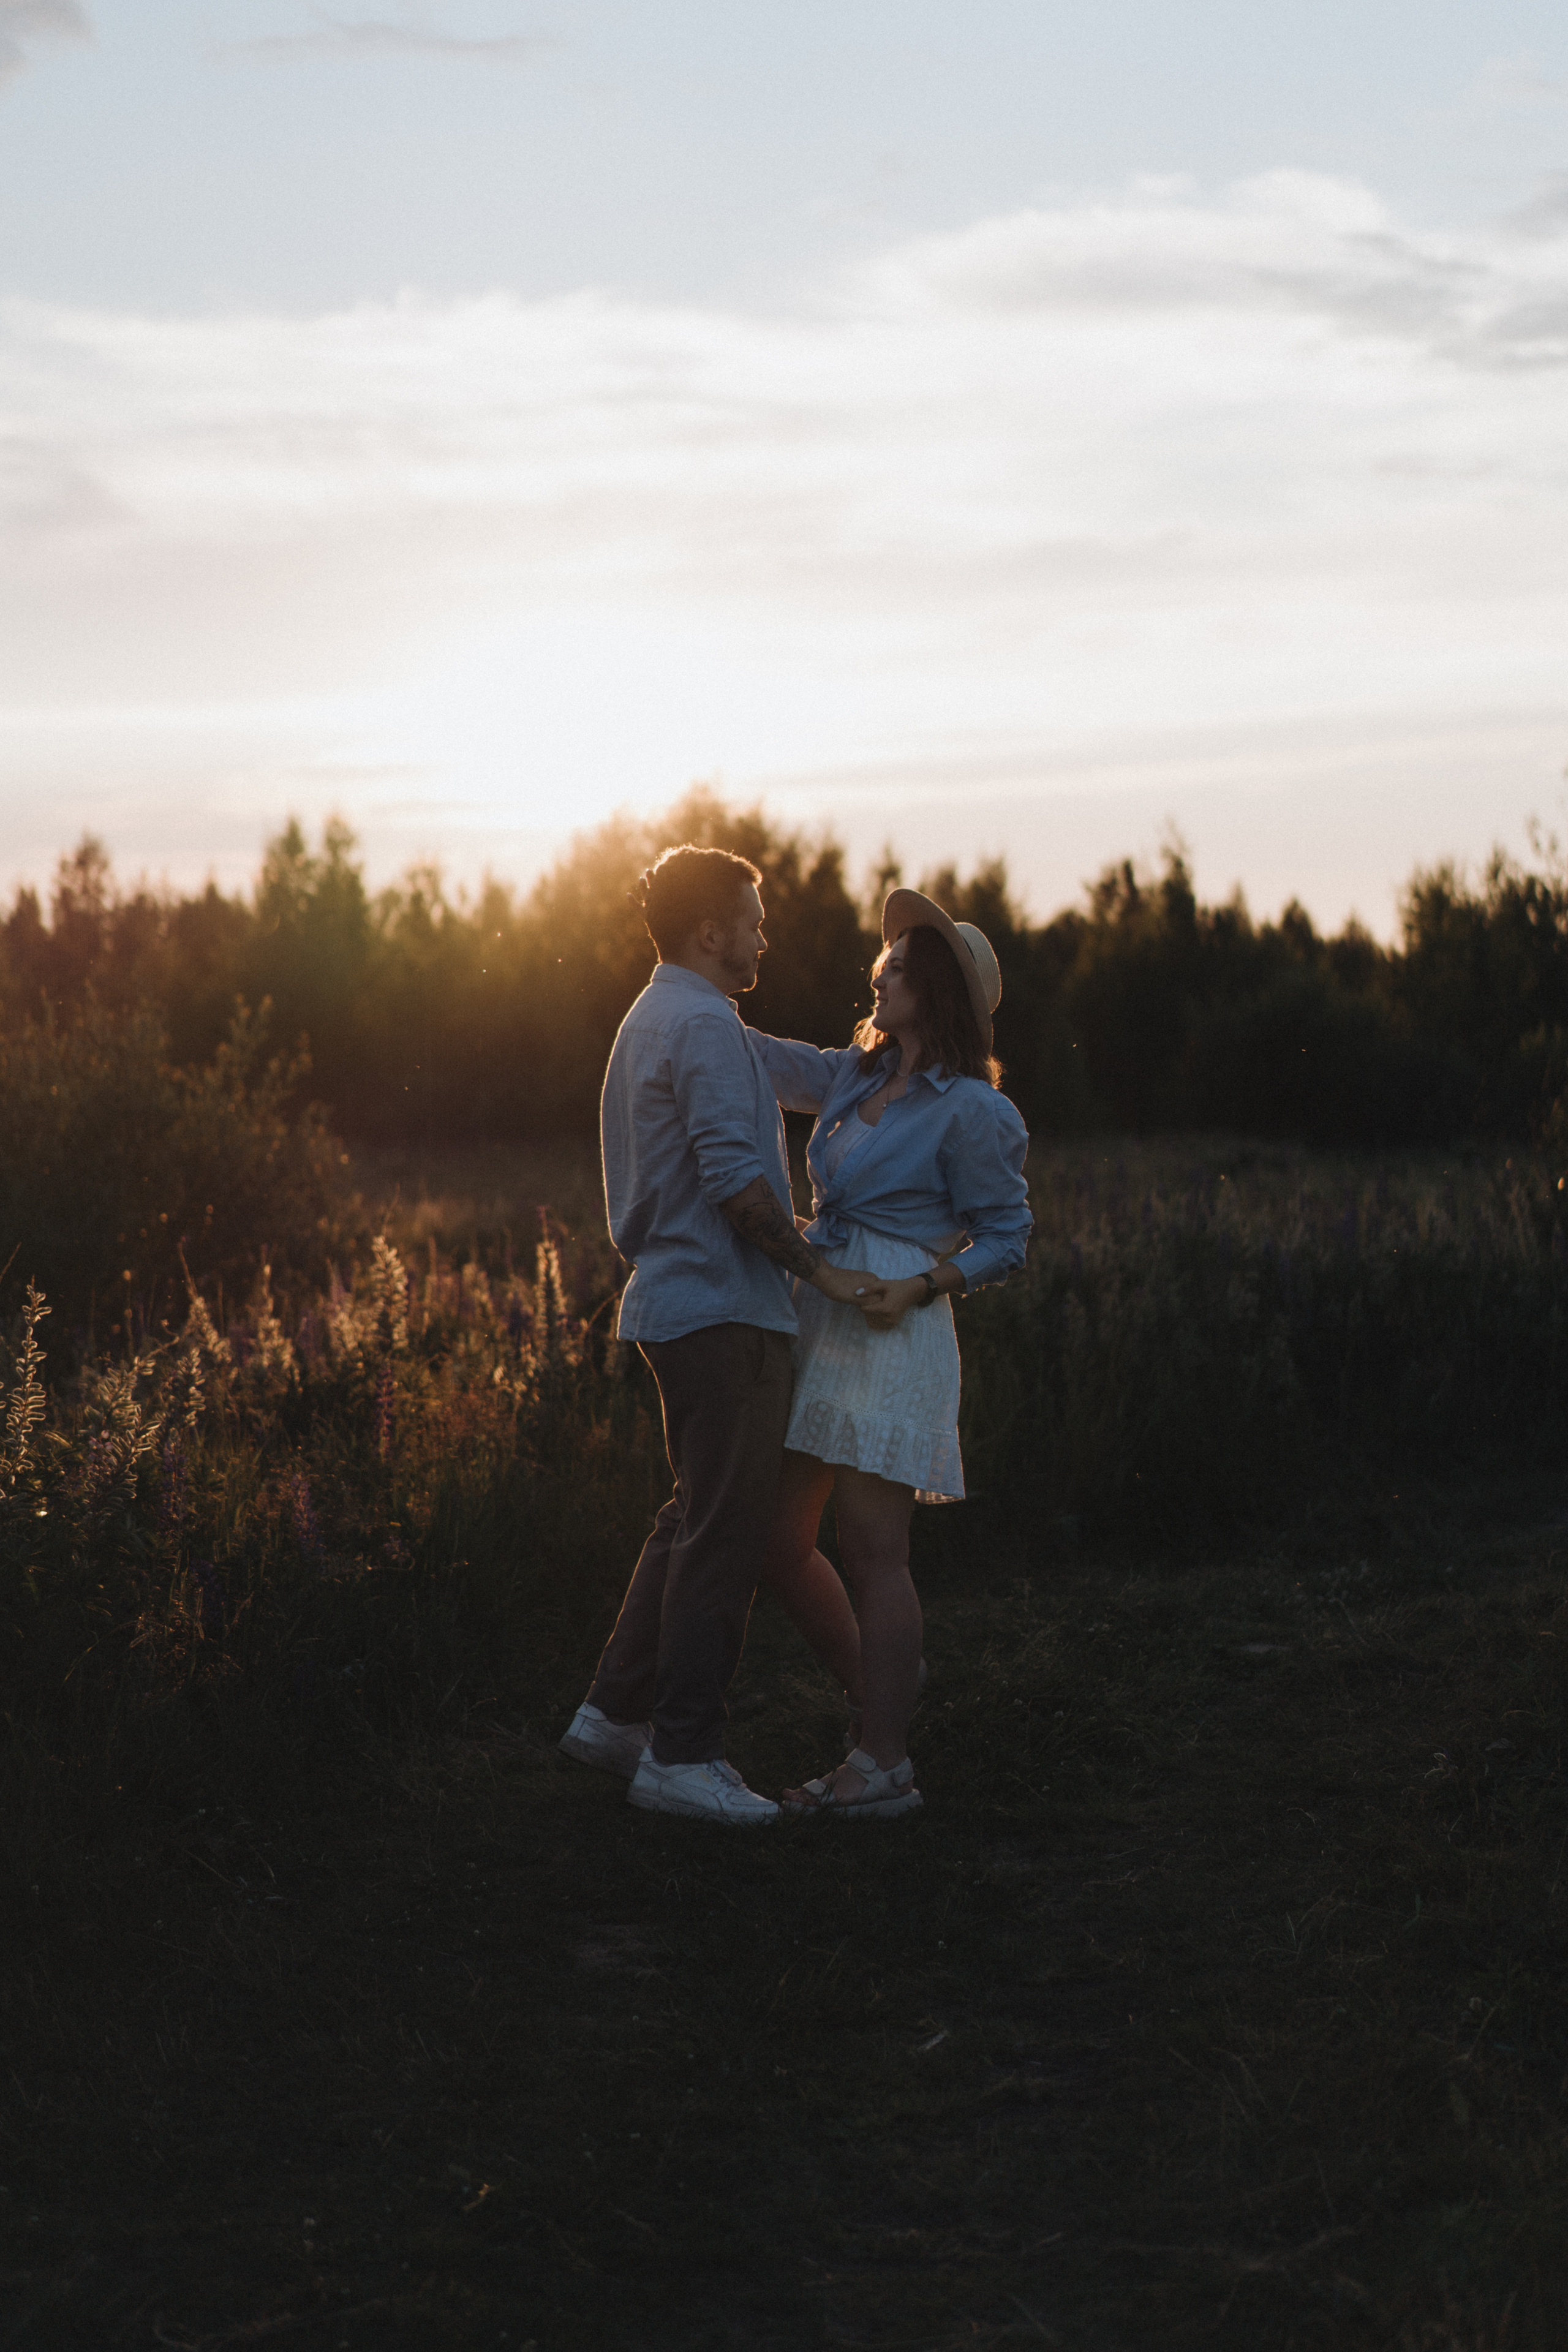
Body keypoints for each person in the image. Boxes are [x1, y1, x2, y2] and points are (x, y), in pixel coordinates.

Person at [557, 843, 881, 1825]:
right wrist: (825, 1273)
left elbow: (819, 1075)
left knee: (692, 1516)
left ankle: (614, 1718)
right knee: (725, 1535)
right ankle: (684, 1755)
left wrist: (911, 1054)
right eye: (752, 916)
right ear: (711, 931)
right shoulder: (696, 1028)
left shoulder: (686, 1020)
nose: (763, 932)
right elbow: (740, 1188)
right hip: (720, 1312)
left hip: (690, 1309)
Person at [750, 889, 1033, 1819]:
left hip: (892, 1323)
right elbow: (756, 1058)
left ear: (939, 991)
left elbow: (1007, 1234)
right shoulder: (853, 1078)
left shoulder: (975, 1113)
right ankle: (885, 1690)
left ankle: (883, 1765)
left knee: (873, 1545)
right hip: (822, 1307)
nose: (882, 973)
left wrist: (920, 1286)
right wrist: (690, 998)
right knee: (779, 1538)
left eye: (903, 966)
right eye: (888, 961)